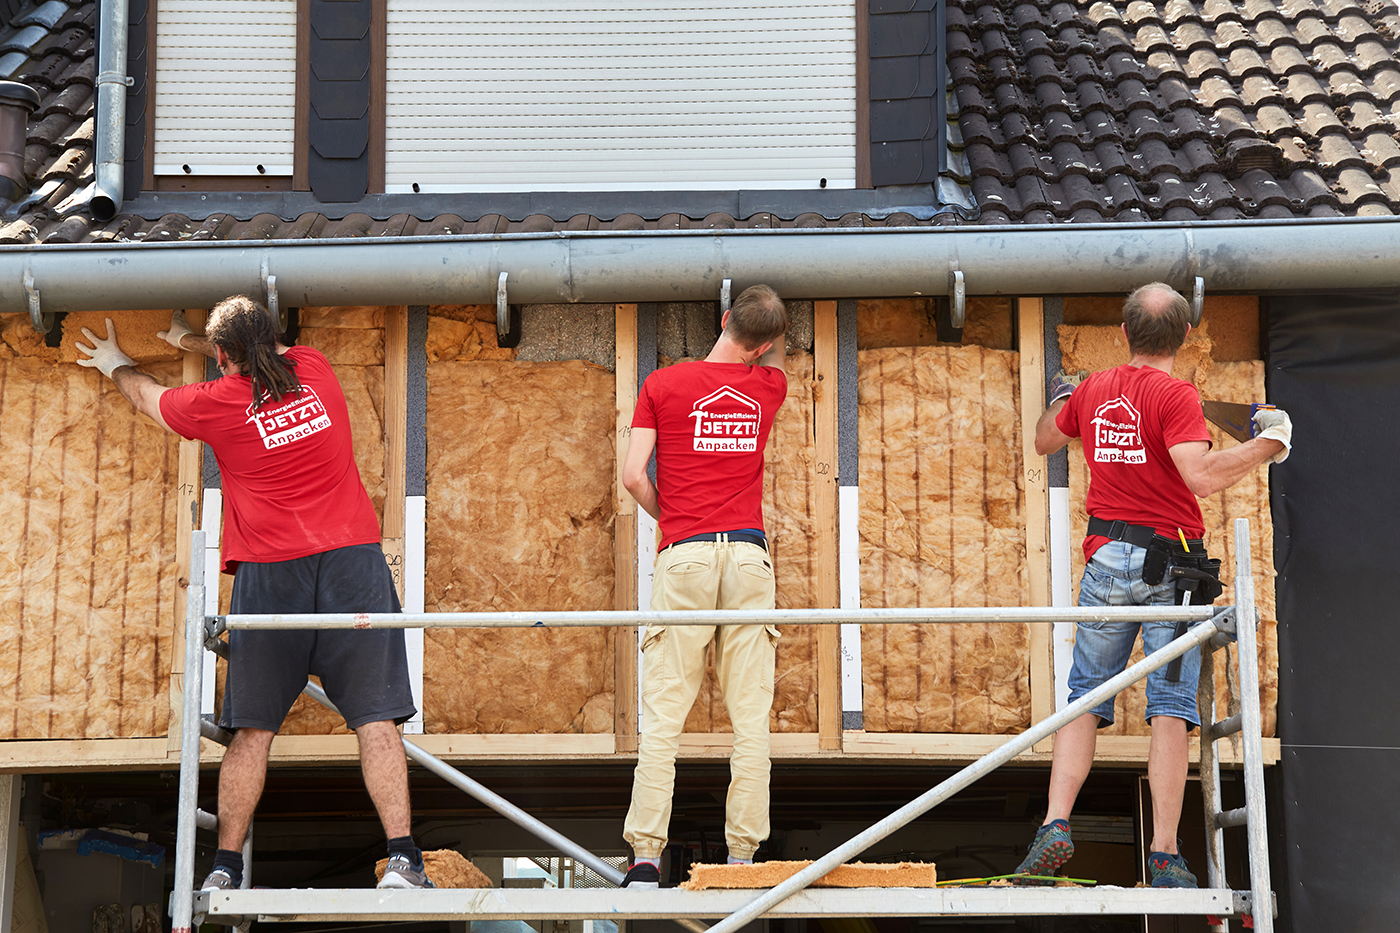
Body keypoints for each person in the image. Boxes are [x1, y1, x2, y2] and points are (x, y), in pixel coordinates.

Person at [75, 299, 433, 890]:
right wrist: (194, 340)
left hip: (272, 575)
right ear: (274, 340)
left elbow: (147, 399)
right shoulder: (314, 368)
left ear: (223, 358)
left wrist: (117, 361)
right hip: (352, 565)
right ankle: (401, 860)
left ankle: (224, 868)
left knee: (254, 730)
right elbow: (267, 357)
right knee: (377, 721)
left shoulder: (213, 404)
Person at [1020, 282, 1292, 888]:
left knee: (1087, 695)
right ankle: (1165, 853)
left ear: (1124, 334)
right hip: (1172, 569)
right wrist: (1267, 445)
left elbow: (1044, 439)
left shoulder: (1093, 391)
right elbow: (1199, 477)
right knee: (1169, 708)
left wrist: (1066, 397)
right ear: (1187, 337)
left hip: (1107, 561)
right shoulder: (1176, 396)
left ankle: (1056, 824)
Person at [618, 284, 789, 888]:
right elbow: (767, 354)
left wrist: (673, 519)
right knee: (750, 720)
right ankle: (742, 859)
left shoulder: (661, 385)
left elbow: (632, 474)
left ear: (722, 319)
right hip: (747, 559)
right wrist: (762, 341)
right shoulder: (770, 386)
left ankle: (644, 858)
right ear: (766, 344)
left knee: (663, 714)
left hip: (684, 556)